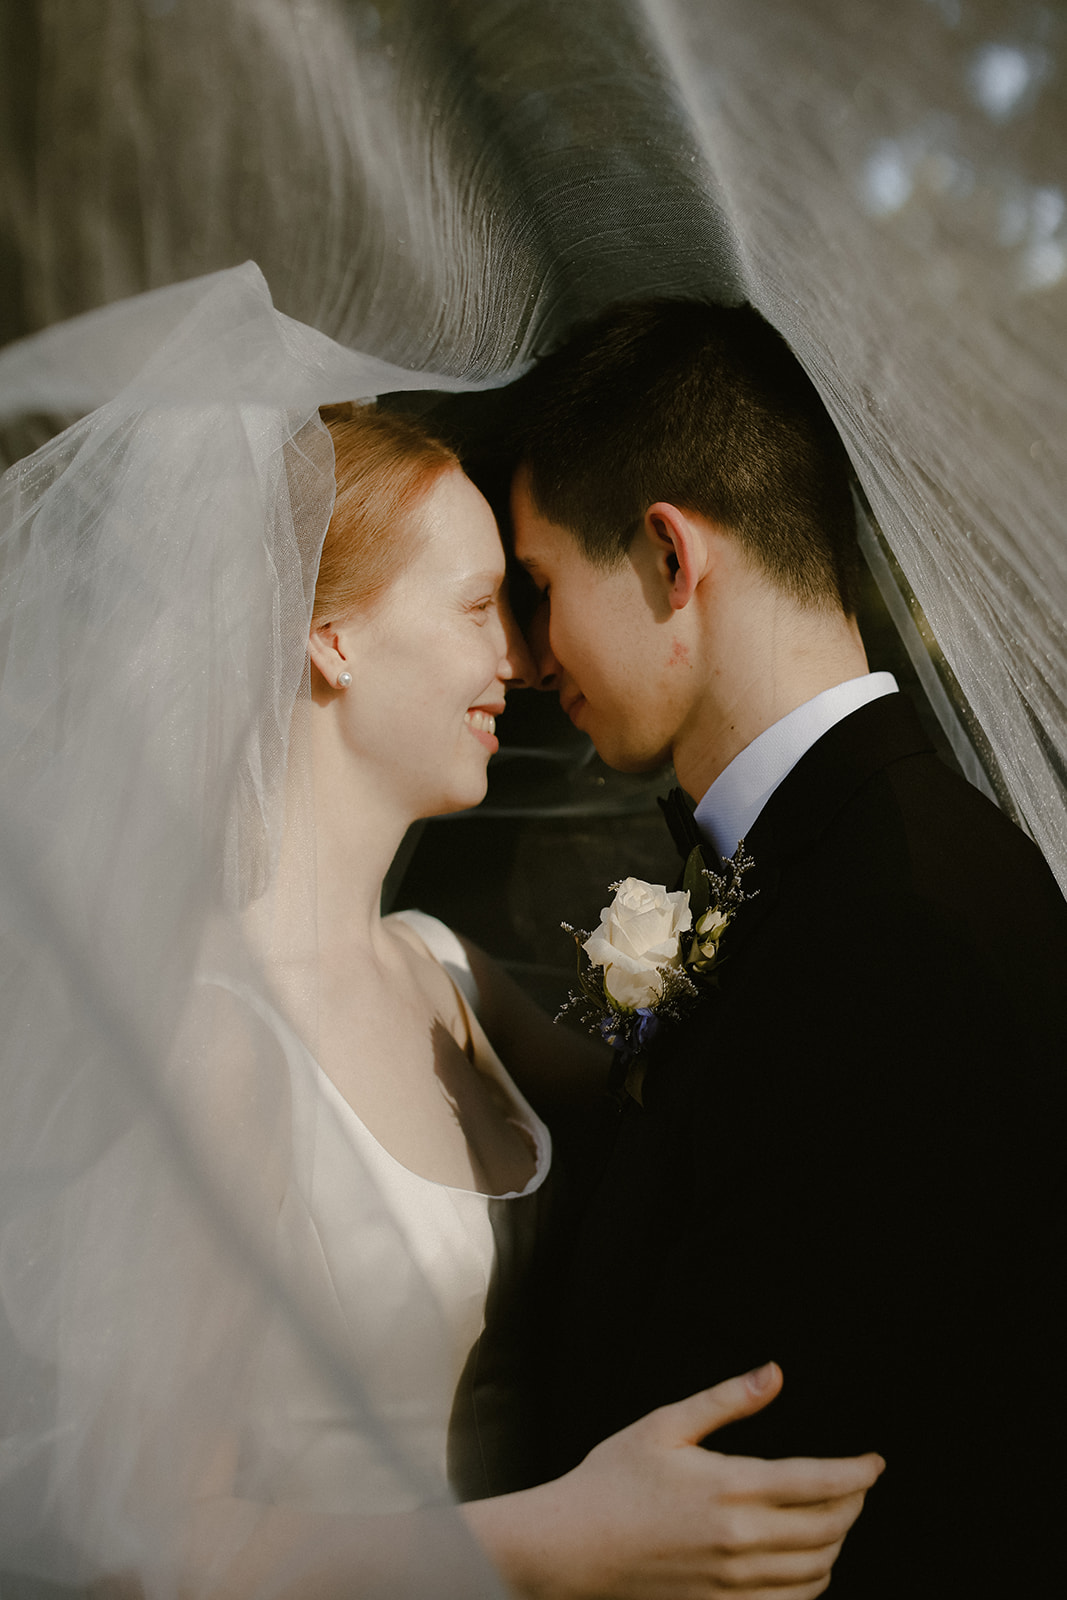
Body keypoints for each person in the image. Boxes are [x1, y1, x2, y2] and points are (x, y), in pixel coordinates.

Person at [0, 266, 880, 1600]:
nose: (525, 664)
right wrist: (567, 1539)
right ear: (332, 639)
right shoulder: (205, 1036)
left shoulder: (447, 971)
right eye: (482, 607)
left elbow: (712, 1117)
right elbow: (148, 1545)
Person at [507, 297, 1067, 1597]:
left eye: (540, 590)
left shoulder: (896, 935)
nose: (532, 661)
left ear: (667, 556)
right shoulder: (861, 861)